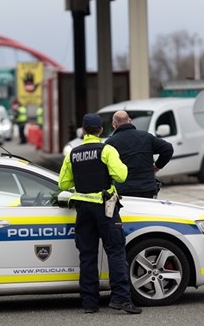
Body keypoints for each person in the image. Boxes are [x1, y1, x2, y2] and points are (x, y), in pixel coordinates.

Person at [58, 113, 141, 315]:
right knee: (115, 252)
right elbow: (121, 175)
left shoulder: (73, 153)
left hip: (83, 210)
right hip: (106, 208)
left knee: (87, 255)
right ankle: (121, 299)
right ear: (101, 130)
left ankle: (89, 303)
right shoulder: (107, 150)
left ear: (84, 131)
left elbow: (63, 184)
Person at [106, 110, 173, 198]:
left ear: (114, 123)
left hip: (125, 190)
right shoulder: (146, 136)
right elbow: (168, 149)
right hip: (148, 188)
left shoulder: (110, 143)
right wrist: (157, 166)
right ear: (129, 121)